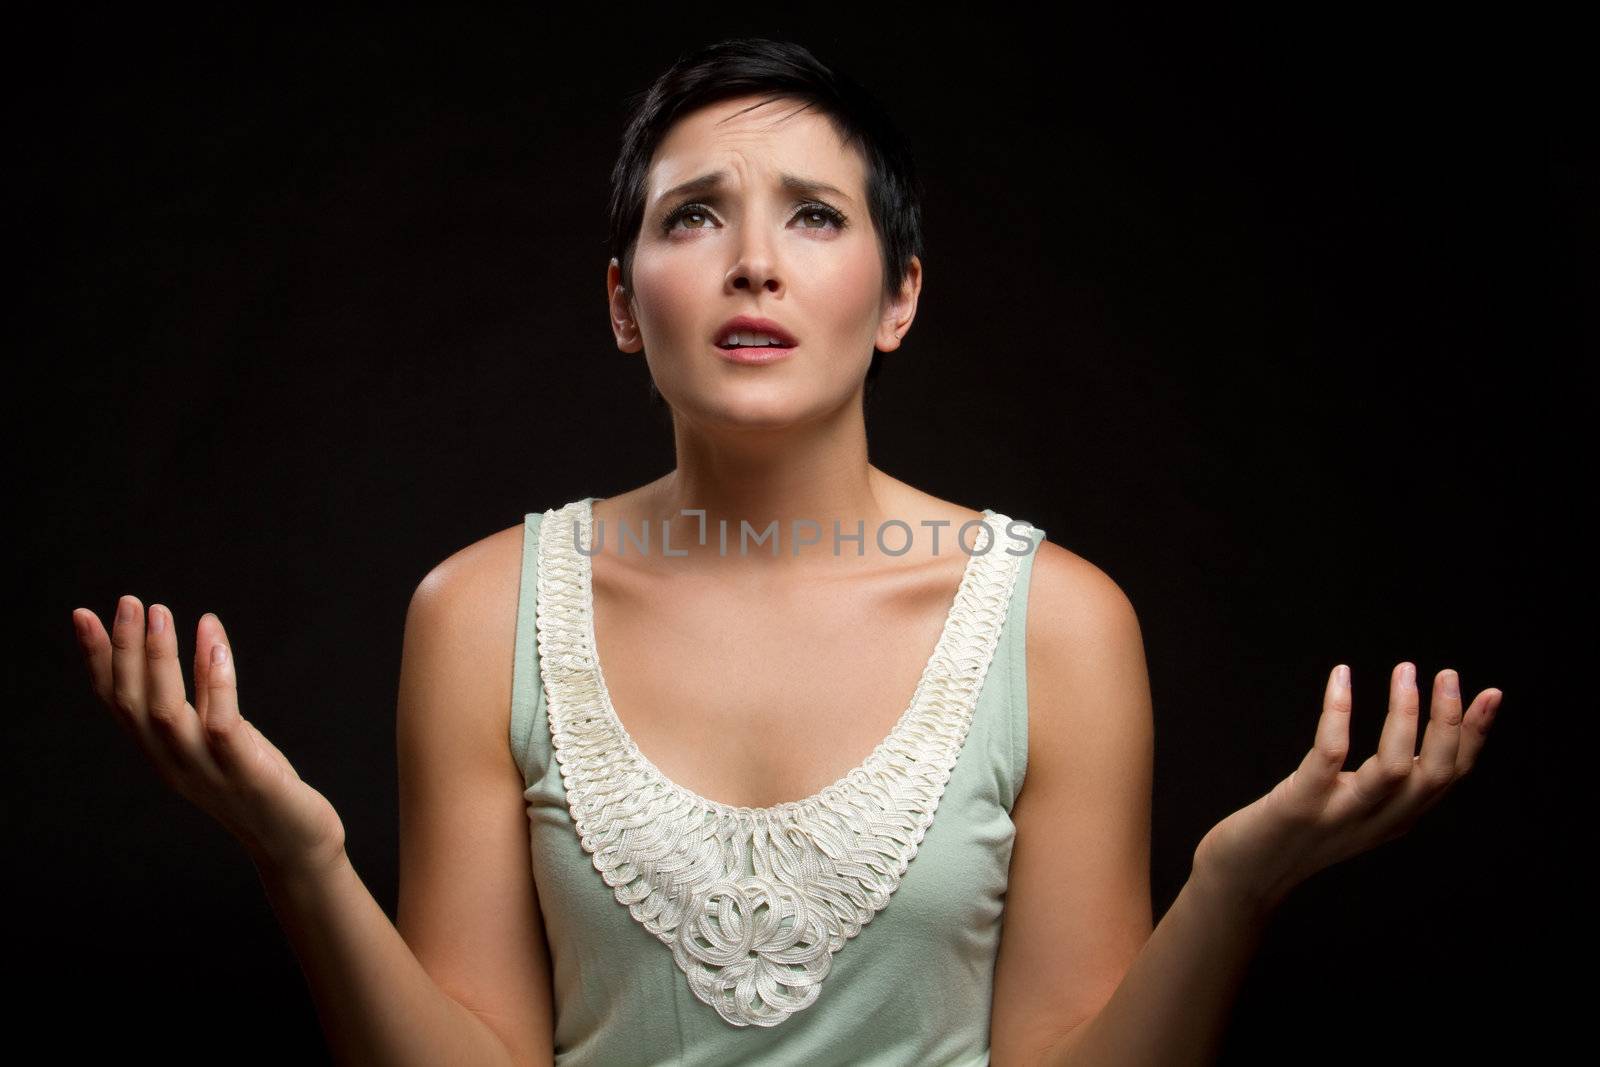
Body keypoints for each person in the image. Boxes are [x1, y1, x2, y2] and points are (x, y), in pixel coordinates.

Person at [68, 37, 1503, 1067]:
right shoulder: (480, 608)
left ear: (898, 297)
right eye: (695, 216)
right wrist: (304, 860)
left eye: (814, 217)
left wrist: (1231, 888)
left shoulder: (1056, 622)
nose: (754, 260)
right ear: (626, 302)